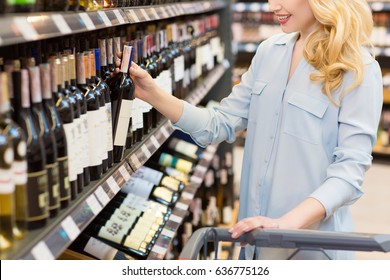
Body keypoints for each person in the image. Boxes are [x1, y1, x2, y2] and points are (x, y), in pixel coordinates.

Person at [117, 0, 383, 259]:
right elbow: (218, 123)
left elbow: (349, 172)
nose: (271, 6)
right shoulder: (269, 51)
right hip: (253, 241)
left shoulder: (358, 69)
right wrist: (152, 94)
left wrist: (284, 224)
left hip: (310, 249)